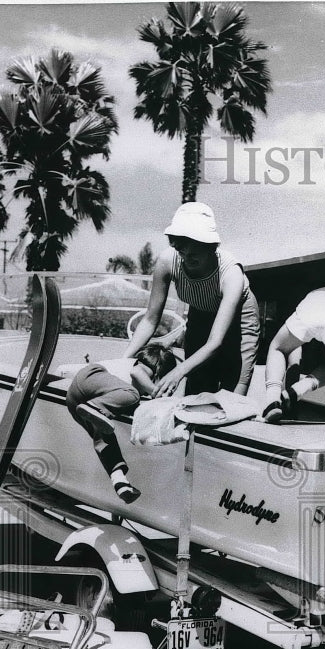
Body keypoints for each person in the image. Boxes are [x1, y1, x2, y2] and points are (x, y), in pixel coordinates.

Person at [125, 203, 259, 398]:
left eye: (194, 255)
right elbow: (150, 320)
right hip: (200, 311)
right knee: (196, 387)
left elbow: (215, 342)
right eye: (181, 252)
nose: (186, 260)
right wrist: (122, 361)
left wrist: (177, 373)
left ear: (210, 248)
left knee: (232, 396)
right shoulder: (167, 261)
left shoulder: (231, 274)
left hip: (240, 318)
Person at [66, 344, 177, 504]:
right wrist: (157, 394)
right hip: (91, 377)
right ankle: (96, 407)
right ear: (158, 373)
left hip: (76, 399)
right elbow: (136, 372)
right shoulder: (142, 367)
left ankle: (119, 481)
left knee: (105, 438)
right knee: (133, 396)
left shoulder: (121, 389)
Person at [262, 287, 325, 429]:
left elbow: (294, 353)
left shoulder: (320, 294)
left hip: (313, 303)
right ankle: (300, 389)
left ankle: (272, 400)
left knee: (278, 348)